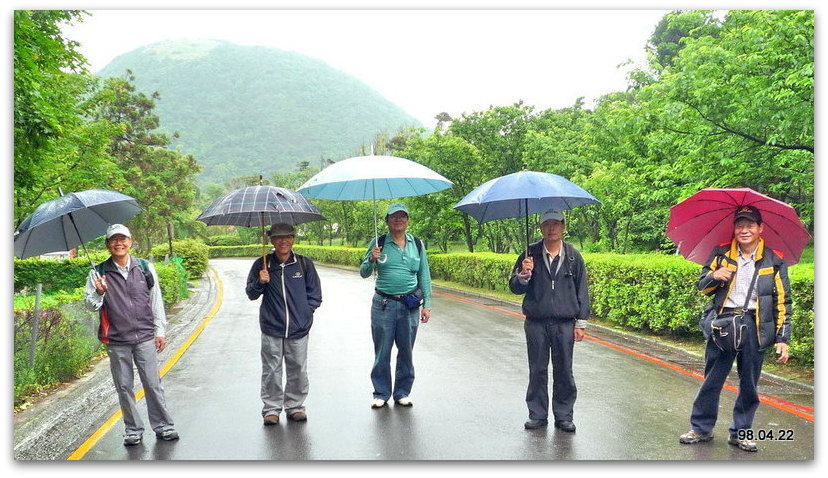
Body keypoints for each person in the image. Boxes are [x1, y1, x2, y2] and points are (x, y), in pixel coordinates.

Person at [679, 205, 792, 452]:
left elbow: (783, 302)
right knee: (712, 379)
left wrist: (783, 337)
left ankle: (741, 432)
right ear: (735, 228)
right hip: (724, 323)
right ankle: (700, 428)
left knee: (749, 383)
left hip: (755, 325)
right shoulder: (721, 254)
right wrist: (715, 275)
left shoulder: (773, 260)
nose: (744, 230)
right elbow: (703, 287)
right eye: (740, 225)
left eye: (750, 225)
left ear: (760, 229)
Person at [83, 224, 178, 446]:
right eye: (114, 240)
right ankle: (133, 429)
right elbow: (89, 306)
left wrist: (160, 330)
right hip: (116, 339)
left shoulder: (145, 267)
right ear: (107, 244)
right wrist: (98, 292)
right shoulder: (98, 273)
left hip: (145, 335)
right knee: (124, 386)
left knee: (152, 383)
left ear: (130, 241)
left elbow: (156, 300)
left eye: (123, 239)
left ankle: (163, 426)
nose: (119, 243)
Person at [508, 209, 590, 432]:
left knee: (564, 370)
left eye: (556, 224)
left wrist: (581, 323)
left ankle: (564, 415)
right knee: (537, 369)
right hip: (536, 322)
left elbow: (582, 290)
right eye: (547, 224)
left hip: (565, 323)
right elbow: (514, 288)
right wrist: (523, 275)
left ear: (563, 227)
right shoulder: (529, 254)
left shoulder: (573, 256)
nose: (551, 228)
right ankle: (537, 414)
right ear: (540, 227)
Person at [246, 223, 322, 426]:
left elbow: (315, 294)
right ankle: (271, 409)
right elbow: (251, 294)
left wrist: (306, 313)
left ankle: (295, 406)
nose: (283, 241)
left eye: (287, 237)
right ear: (271, 240)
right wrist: (260, 282)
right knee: (271, 369)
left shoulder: (304, 264)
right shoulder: (261, 264)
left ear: (293, 239)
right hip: (271, 327)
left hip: (299, 328)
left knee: (298, 368)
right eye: (278, 237)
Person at [359, 203, 432, 408]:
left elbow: (424, 275)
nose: (398, 219)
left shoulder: (416, 243)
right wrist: (371, 259)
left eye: (402, 216)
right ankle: (381, 393)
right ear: (387, 220)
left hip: (409, 305)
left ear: (408, 220)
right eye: (394, 216)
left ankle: (402, 392)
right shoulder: (379, 242)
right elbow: (363, 272)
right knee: (382, 350)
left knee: (406, 350)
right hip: (383, 304)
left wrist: (427, 304)